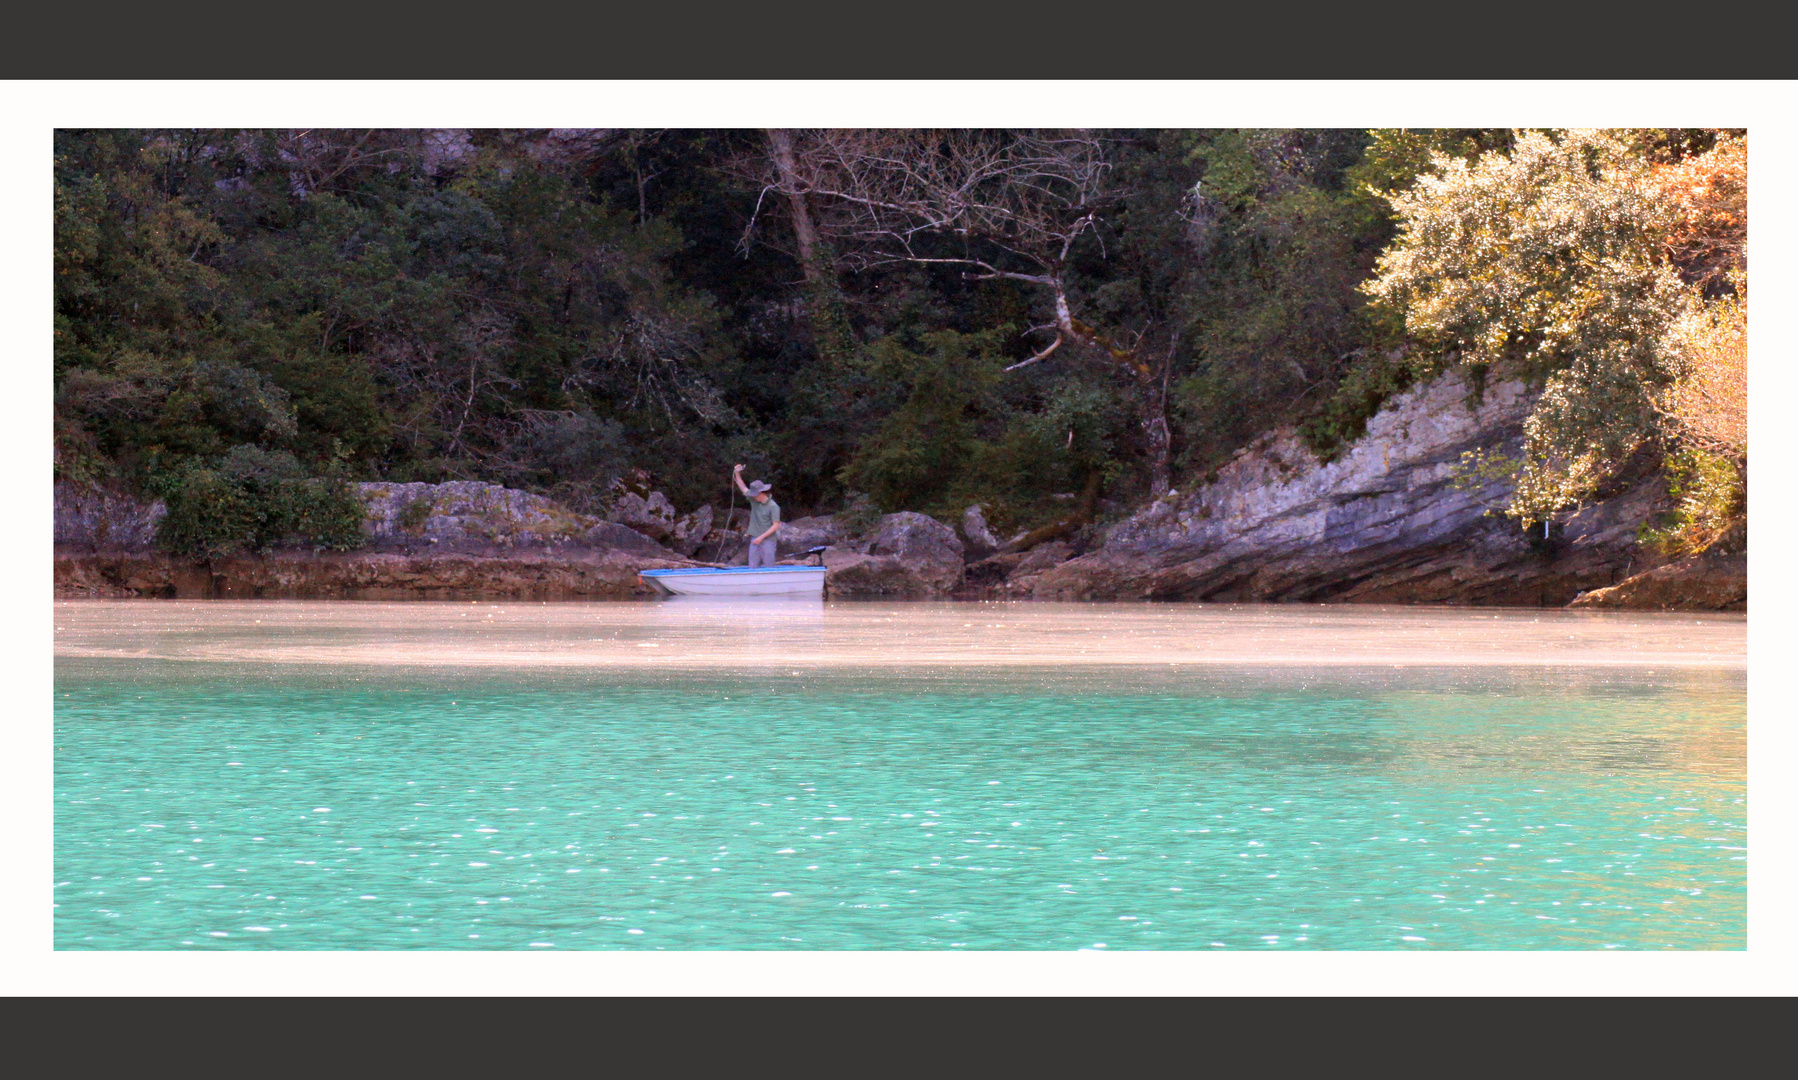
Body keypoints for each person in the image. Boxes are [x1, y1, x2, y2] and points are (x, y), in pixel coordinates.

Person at [733, 464, 781, 567]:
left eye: (755, 494)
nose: (753, 496)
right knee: (752, 567)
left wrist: (761, 537)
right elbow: (743, 487)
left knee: (769, 567)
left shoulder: (773, 506)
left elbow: (776, 526)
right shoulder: (754, 500)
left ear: (761, 492)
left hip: (768, 540)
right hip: (754, 539)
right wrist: (737, 473)